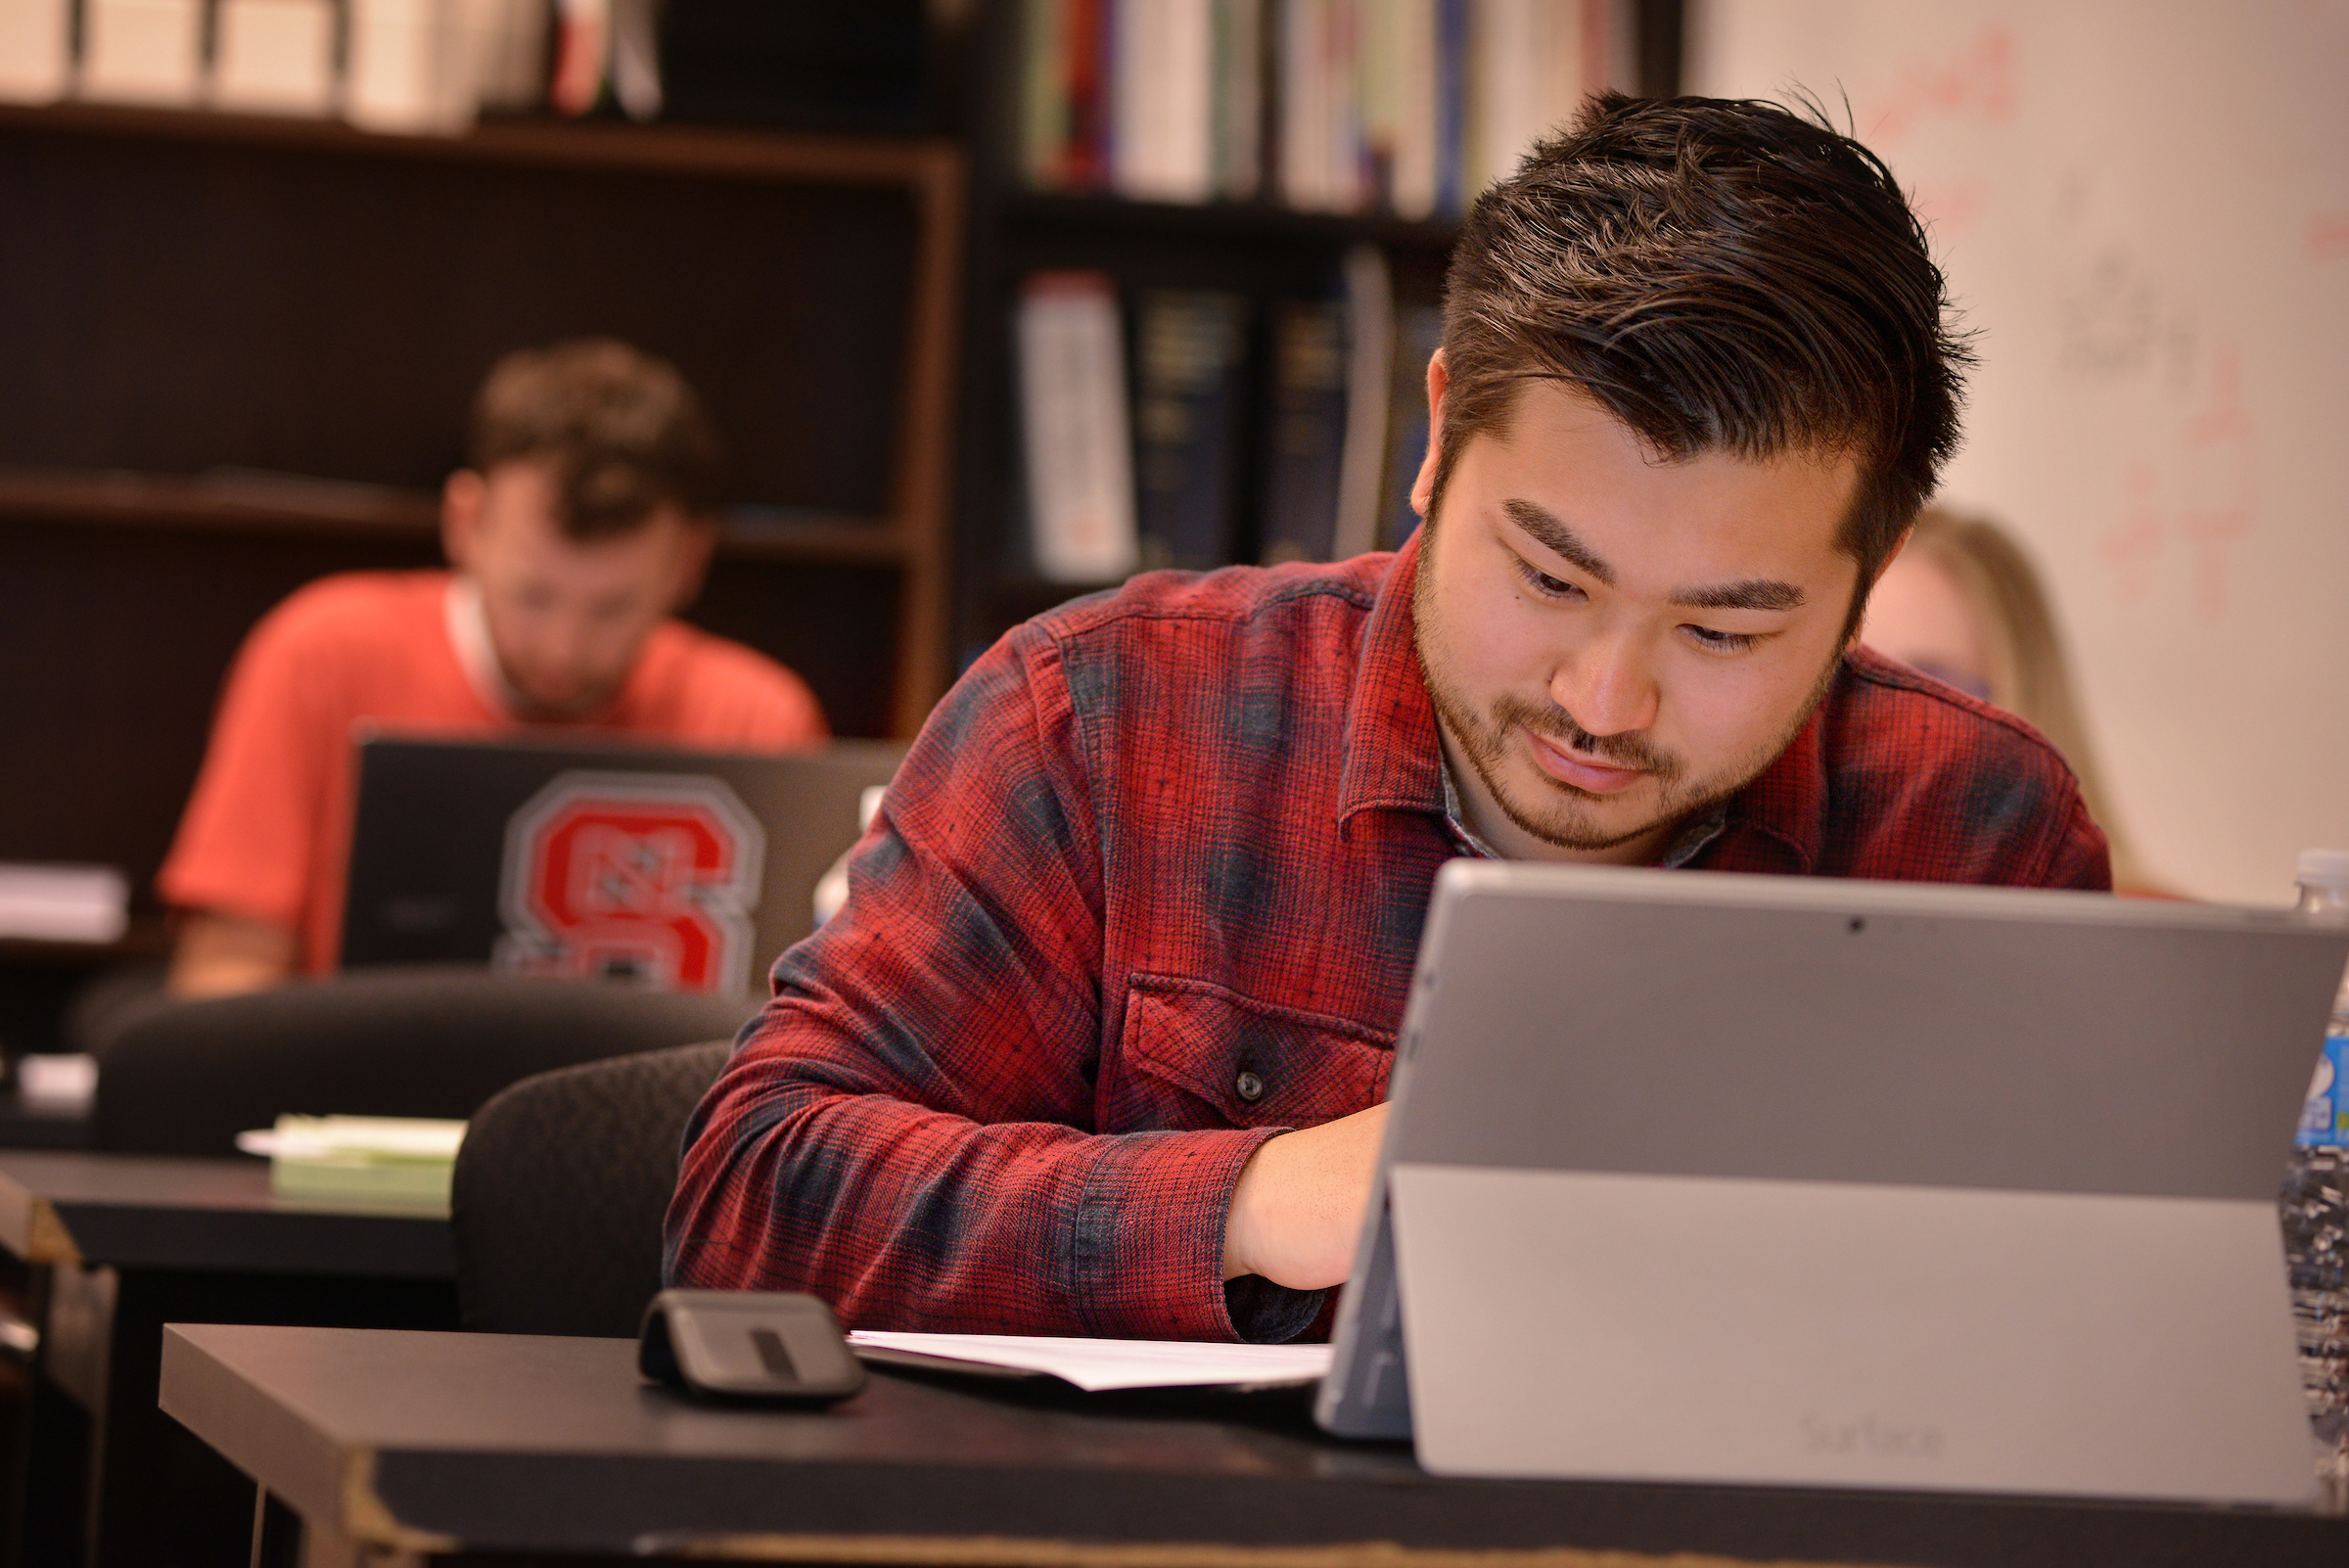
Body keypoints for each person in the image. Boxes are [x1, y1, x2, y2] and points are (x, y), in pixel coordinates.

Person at [667, 95, 2110, 1342]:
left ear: (1873, 572)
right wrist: (1251, 1200)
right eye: (1548, 575)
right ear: (1436, 439)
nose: (1604, 701)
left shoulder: (1972, 828)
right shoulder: (1106, 719)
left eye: (1727, 628)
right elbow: (752, 1203)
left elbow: (2079, 1331)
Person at [160, 340, 829, 997]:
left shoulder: (757, 715)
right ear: (466, 523)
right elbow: (226, 973)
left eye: (613, 608)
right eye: (532, 595)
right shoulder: (319, 654)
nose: (564, 649)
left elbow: (801, 1021)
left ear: (687, 562)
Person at [1861, 506, 2163, 895]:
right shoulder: (1781, 914)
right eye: (1846, 680)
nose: (1874, 725)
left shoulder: (2157, 934)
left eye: (1930, 687)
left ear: (2023, 705)